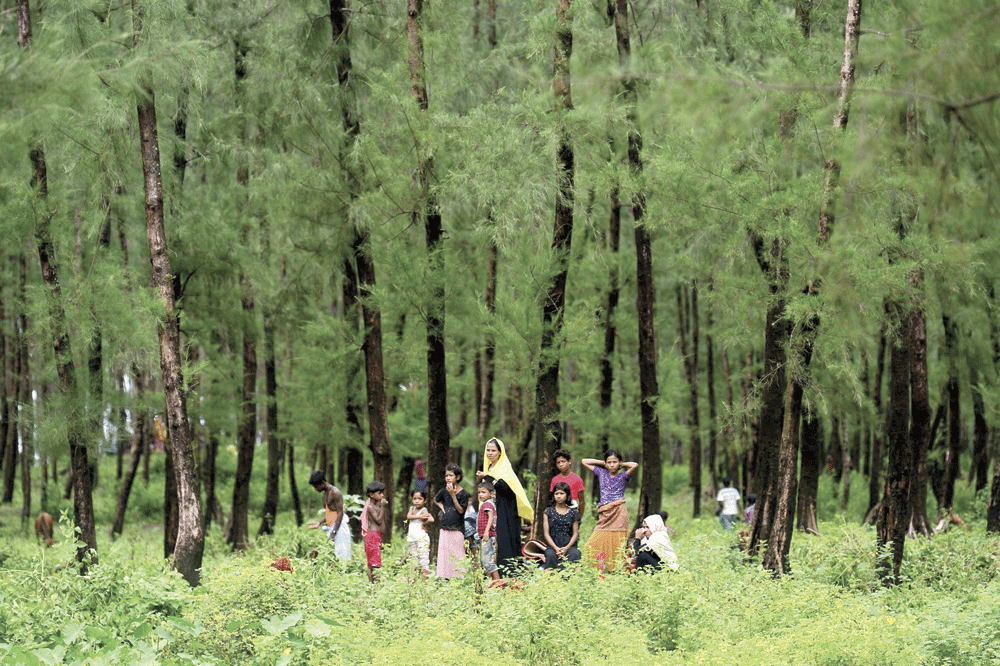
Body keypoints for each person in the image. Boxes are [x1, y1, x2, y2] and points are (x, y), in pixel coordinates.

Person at [476, 437, 534, 576]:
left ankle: (508, 576)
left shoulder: (504, 467)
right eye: (488, 450)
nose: (490, 453)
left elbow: (507, 488)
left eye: (493, 450)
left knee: (504, 542)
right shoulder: (488, 467)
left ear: (500, 452)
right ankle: (492, 577)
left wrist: (488, 477)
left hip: (505, 512)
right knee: (491, 543)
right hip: (492, 510)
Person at [582, 449, 638, 573]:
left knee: (617, 545)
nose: (612, 465)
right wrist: (603, 463)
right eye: (609, 462)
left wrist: (622, 464)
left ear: (619, 463)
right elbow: (584, 461)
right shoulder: (601, 473)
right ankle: (599, 572)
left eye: (614, 462)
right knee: (591, 545)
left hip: (619, 513)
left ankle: (615, 572)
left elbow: (635, 465)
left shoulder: (624, 476)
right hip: (604, 515)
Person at [434, 463, 469, 579]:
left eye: (450, 475)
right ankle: (446, 578)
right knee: (445, 554)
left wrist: (453, 495)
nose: (448, 478)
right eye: (446, 476)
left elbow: (460, 510)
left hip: (457, 528)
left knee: (457, 553)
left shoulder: (463, 493)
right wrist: (442, 508)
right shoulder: (443, 491)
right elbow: (436, 500)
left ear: (457, 477)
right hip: (445, 527)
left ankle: (459, 577)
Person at [307, 470, 351, 560]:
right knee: (333, 556)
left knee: (342, 557)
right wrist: (319, 522)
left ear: (322, 483)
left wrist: (334, 532)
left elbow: (340, 513)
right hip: (332, 526)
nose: (315, 489)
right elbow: (331, 512)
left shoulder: (335, 492)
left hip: (339, 528)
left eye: (316, 486)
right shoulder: (325, 493)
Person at [542, 481, 581, 570]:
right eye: (556, 493)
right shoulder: (548, 512)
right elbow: (546, 534)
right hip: (553, 546)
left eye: (562, 493)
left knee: (575, 554)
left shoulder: (573, 513)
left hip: (569, 545)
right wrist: (556, 549)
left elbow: (575, 534)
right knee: (550, 555)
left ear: (567, 495)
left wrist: (566, 548)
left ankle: (573, 580)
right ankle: (551, 581)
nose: (559, 496)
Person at [361, 480, 388, 583]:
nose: (382, 495)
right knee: (374, 564)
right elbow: (378, 520)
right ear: (371, 495)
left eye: (382, 493)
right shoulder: (370, 507)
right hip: (373, 537)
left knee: (373, 563)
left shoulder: (376, 506)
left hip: (376, 537)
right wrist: (383, 507)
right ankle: (375, 586)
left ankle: (373, 586)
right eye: (380, 493)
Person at [476, 481, 501, 582]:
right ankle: (491, 583)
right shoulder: (486, 504)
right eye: (479, 492)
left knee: (487, 561)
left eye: (483, 492)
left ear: (491, 493)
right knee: (485, 560)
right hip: (485, 536)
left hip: (488, 536)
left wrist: (486, 532)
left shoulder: (487, 504)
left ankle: (497, 582)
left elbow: (490, 517)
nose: (480, 495)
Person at [405, 489, 434, 576]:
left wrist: (424, 524)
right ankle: (415, 578)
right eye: (414, 499)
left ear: (425, 500)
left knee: (423, 558)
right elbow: (408, 516)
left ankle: (424, 579)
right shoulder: (412, 508)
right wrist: (420, 516)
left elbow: (431, 519)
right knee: (414, 558)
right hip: (413, 537)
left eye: (420, 499)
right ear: (412, 500)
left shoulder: (424, 510)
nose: (417, 501)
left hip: (421, 537)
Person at [550, 448, 586, 517]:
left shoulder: (577, 479)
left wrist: (579, 517)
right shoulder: (554, 480)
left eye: (563, 461)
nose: (561, 464)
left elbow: (582, 501)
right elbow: (552, 499)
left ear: (569, 462)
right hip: (558, 512)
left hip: (572, 510)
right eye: (558, 462)